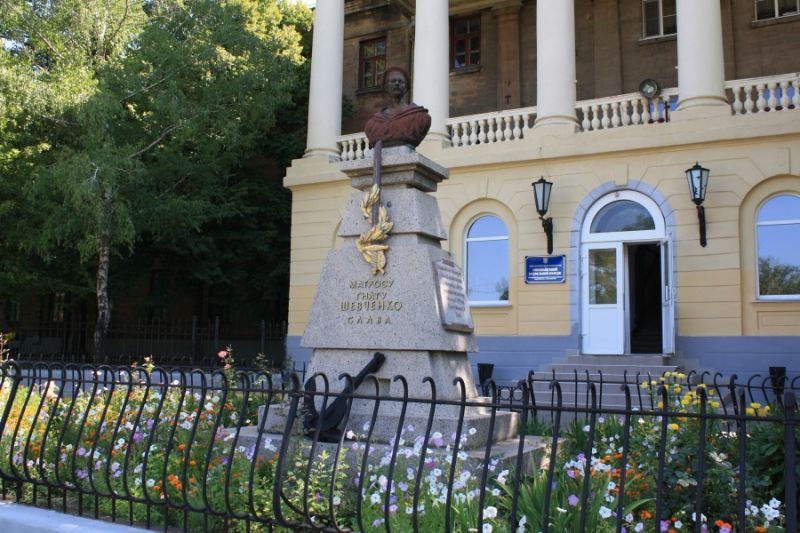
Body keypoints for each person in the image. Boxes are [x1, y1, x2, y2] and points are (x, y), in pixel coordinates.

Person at [364, 67, 431, 149]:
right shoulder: (372, 124)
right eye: (393, 81)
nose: (397, 83)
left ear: (406, 88)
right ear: (385, 87)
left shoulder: (420, 117)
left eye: (400, 81)